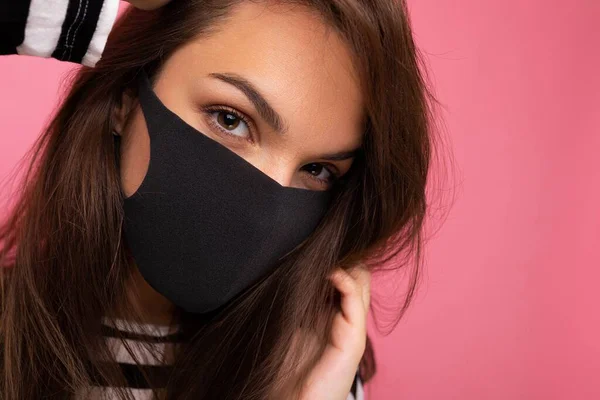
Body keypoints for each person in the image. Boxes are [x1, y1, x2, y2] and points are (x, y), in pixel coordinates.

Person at [0, 0, 435, 399]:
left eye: (318, 170)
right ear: (125, 98)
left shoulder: (319, 366)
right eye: (231, 120)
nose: (265, 213)